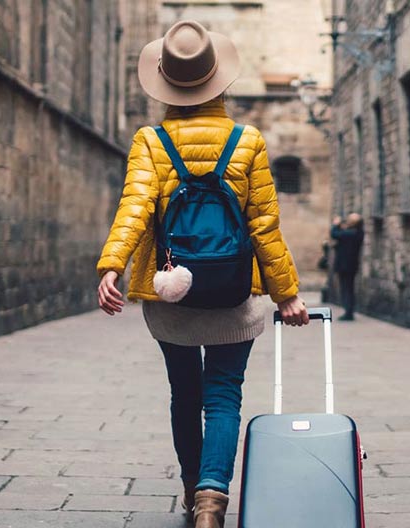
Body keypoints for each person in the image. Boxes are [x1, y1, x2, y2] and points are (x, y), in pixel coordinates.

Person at [95, 20, 308, 528]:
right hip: (237, 292)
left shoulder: (149, 140)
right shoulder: (247, 140)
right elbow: (263, 225)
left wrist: (113, 265)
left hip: (173, 295)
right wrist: (287, 294)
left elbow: (135, 206)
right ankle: (214, 499)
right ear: (221, 82)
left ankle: (193, 492)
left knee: (185, 394)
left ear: (164, 83)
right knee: (225, 394)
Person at [330, 213, 364, 321]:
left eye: (350, 220)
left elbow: (335, 234)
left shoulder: (353, 233)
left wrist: (335, 224)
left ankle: (348, 312)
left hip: (346, 266)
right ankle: (348, 311)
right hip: (349, 265)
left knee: (347, 289)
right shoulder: (356, 233)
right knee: (347, 288)